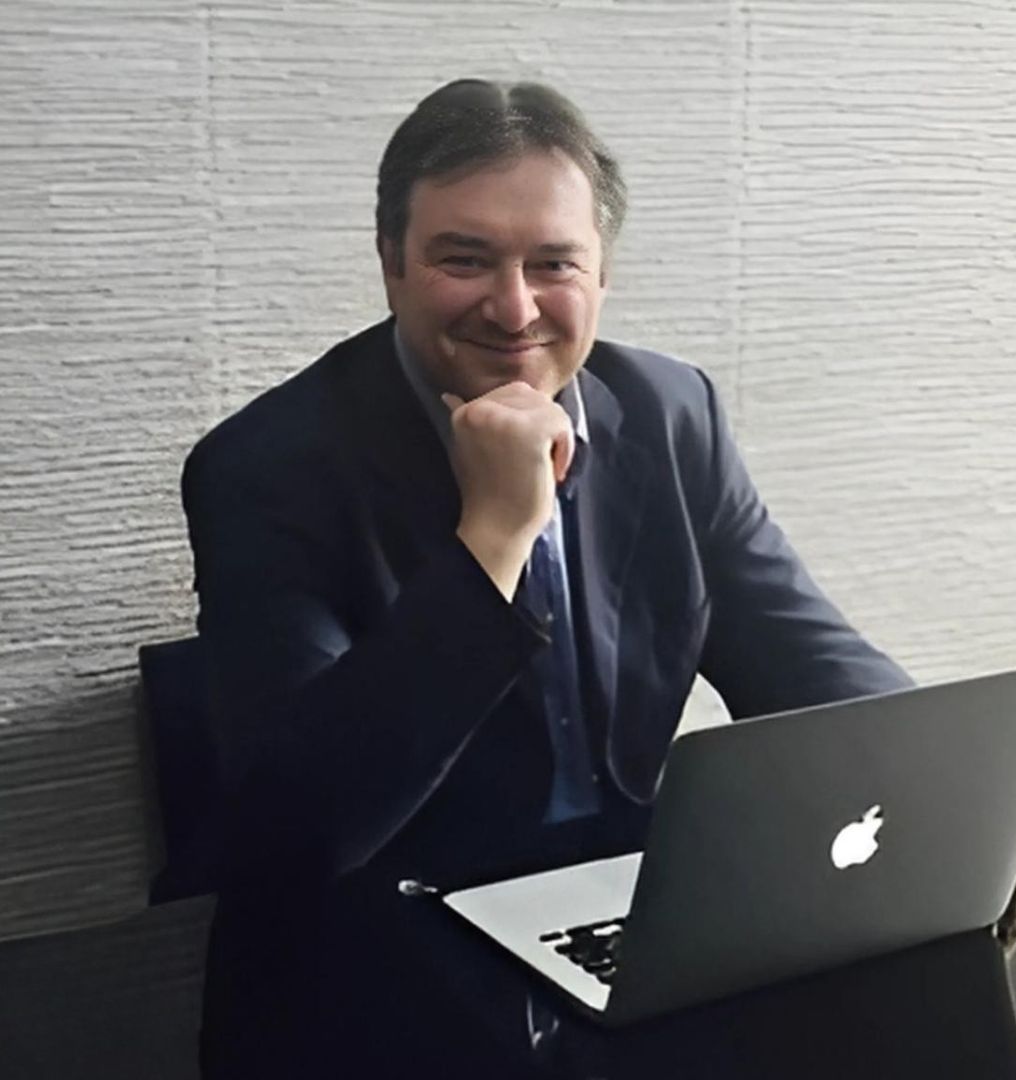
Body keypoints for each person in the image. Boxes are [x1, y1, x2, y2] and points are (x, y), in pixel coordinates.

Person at [182, 79, 914, 1077]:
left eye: (553, 262)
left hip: (624, 927)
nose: (514, 307)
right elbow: (302, 827)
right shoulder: (267, 468)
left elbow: (809, 661)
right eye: (464, 258)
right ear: (391, 262)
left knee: (916, 1014)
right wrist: (492, 539)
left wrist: (932, 809)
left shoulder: (669, 412)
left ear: (602, 271)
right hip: (380, 969)